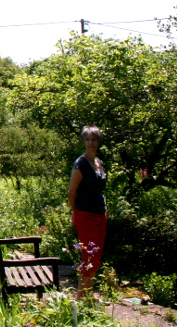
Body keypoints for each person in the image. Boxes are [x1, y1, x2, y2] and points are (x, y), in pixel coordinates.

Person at [68, 125, 107, 299]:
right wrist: (75, 214)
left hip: (100, 214)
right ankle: (81, 297)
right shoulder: (81, 164)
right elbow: (71, 192)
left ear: (99, 142)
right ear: (83, 142)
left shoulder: (98, 163)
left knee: (96, 256)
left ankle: (88, 295)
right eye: (87, 139)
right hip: (86, 215)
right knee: (89, 256)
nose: (90, 143)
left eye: (94, 139)